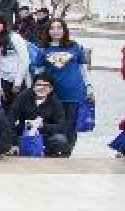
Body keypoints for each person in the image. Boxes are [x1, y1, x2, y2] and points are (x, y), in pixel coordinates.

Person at [34, 18, 92, 151]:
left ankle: (66, 153)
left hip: (73, 92)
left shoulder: (74, 46)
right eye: (52, 28)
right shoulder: (43, 49)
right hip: (52, 94)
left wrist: (89, 87)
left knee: (71, 125)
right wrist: (39, 90)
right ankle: (52, 150)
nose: (56, 31)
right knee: (51, 124)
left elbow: (83, 69)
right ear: (48, 31)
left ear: (64, 30)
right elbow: (38, 73)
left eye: (59, 28)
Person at [6, 75, 70, 157]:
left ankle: (45, 153)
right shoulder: (23, 97)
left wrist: (43, 126)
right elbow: (10, 119)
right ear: (33, 87)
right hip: (23, 135)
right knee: (5, 137)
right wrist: (13, 143)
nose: (42, 88)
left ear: (51, 89)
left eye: (46, 85)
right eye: (38, 85)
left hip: (44, 136)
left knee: (61, 140)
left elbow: (61, 126)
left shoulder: (55, 102)